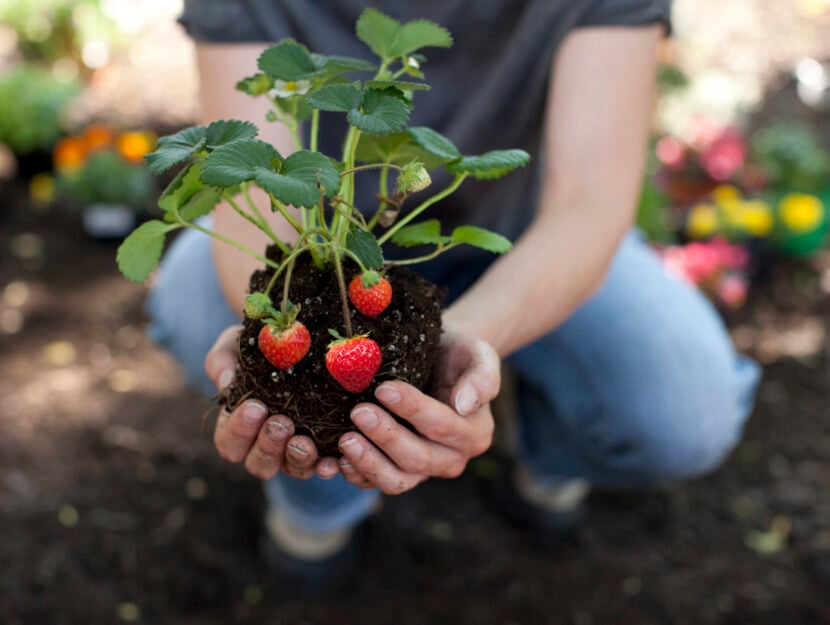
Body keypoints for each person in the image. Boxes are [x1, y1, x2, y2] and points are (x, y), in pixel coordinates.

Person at [148, 0, 760, 592]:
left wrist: (457, 347)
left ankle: (545, 451)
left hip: (523, 235)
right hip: (324, 251)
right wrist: (276, 330)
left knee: (682, 414)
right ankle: (319, 493)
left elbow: (590, 200)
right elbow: (255, 185)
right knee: (197, 309)